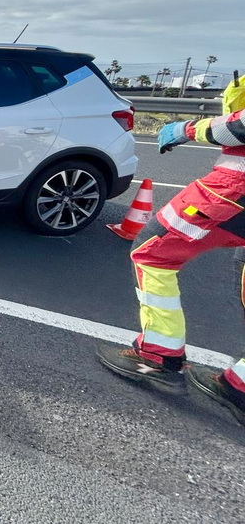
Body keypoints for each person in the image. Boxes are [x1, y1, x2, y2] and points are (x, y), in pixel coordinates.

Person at [97, 74, 245, 428]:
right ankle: (239, 387)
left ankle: (159, 357)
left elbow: (240, 128)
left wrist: (188, 129)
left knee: (153, 253)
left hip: (233, 192)